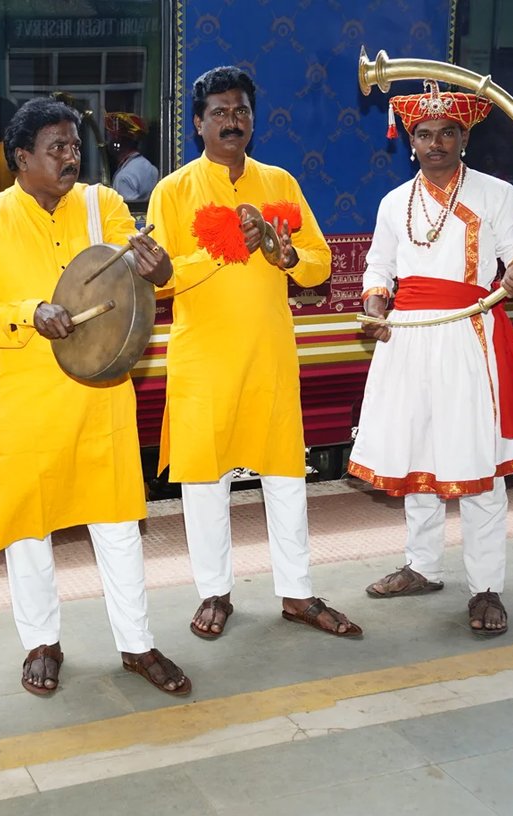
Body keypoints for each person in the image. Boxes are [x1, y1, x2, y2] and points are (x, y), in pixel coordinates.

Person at [0, 98, 191, 698]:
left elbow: (130, 274)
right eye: (55, 148)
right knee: (28, 530)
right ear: (20, 158)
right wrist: (29, 312)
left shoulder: (101, 204)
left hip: (98, 393)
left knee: (116, 521)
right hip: (24, 397)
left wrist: (153, 266)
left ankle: (136, 643)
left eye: (75, 146)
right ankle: (42, 643)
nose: (70, 157)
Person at [146, 66, 362, 641]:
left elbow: (320, 264)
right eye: (219, 112)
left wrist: (288, 258)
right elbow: (158, 280)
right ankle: (214, 593)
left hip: (269, 353)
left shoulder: (281, 183)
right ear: (198, 124)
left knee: (286, 474)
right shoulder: (174, 191)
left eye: (241, 110)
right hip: (202, 361)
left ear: (252, 119)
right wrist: (223, 249)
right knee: (204, 482)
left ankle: (296, 591)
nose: (232, 121)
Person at [349, 81, 513, 637]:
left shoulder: (497, 195)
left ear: (464, 137)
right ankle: (422, 566)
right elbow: (377, 269)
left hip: (468, 335)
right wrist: (373, 304)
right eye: (423, 134)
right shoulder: (394, 202)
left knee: (476, 465)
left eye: (446, 133)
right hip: (407, 337)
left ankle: (486, 587)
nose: (434, 143)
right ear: (410, 141)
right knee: (419, 453)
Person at [105, 111, 160, 202]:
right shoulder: (150, 167)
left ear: (119, 140)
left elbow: (130, 213)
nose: (108, 142)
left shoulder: (123, 178)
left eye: (111, 137)